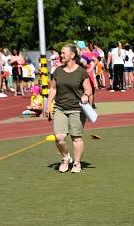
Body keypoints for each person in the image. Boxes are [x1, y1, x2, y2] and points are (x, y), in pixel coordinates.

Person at [46, 44, 93, 173]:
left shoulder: (81, 72)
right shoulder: (58, 71)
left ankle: (77, 163)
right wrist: (48, 104)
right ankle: (66, 157)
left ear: (72, 55)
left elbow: (88, 89)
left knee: (76, 137)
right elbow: (53, 89)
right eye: (60, 53)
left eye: (63, 53)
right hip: (60, 107)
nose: (61, 55)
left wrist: (85, 95)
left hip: (76, 109)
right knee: (59, 137)